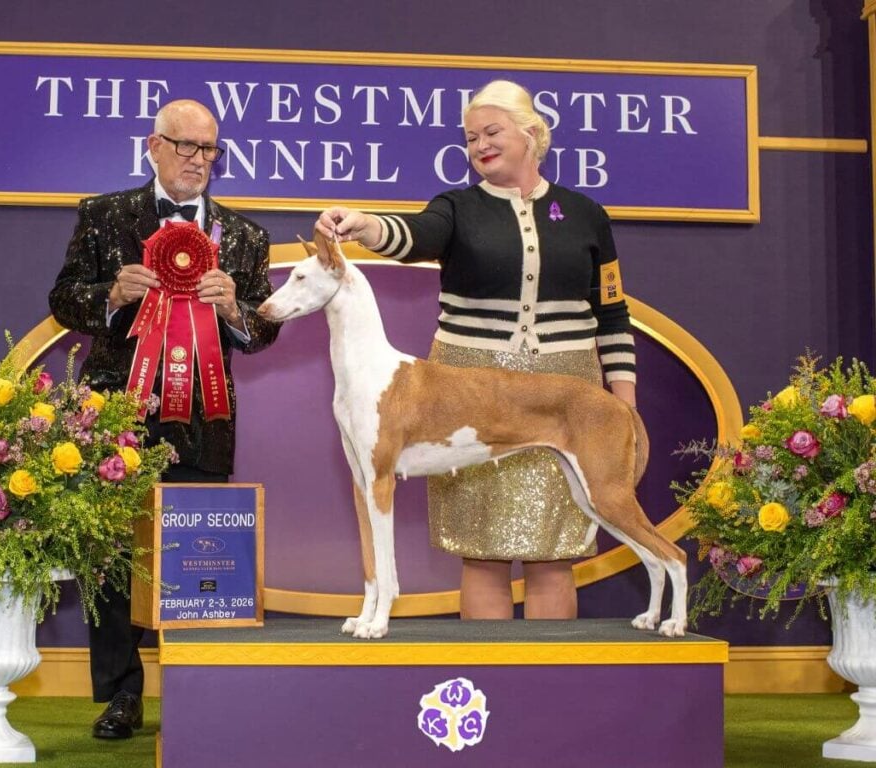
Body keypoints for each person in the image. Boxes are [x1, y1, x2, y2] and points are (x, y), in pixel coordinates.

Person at [315, 79, 637, 623]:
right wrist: (365, 225)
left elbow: (611, 310)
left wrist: (622, 398)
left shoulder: (586, 214)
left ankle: (551, 689)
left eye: (492, 132)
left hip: (564, 392)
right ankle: (489, 684)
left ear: (531, 133)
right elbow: (414, 234)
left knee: (554, 555)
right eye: (470, 139)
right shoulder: (455, 208)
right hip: (464, 390)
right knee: (482, 550)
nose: (480, 145)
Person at [49, 99, 281, 739]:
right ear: (153, 146)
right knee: (113, 557)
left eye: (209, 150)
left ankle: (199, 687)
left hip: (203, 415)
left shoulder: (245, 236)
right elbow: (65, 298)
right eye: (186, 146)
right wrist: (113, 295)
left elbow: (263, 333)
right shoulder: (103, 216)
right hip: (111, 414)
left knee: (199, 555)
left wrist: (236, 309)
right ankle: (122, 696)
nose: (198, 161)